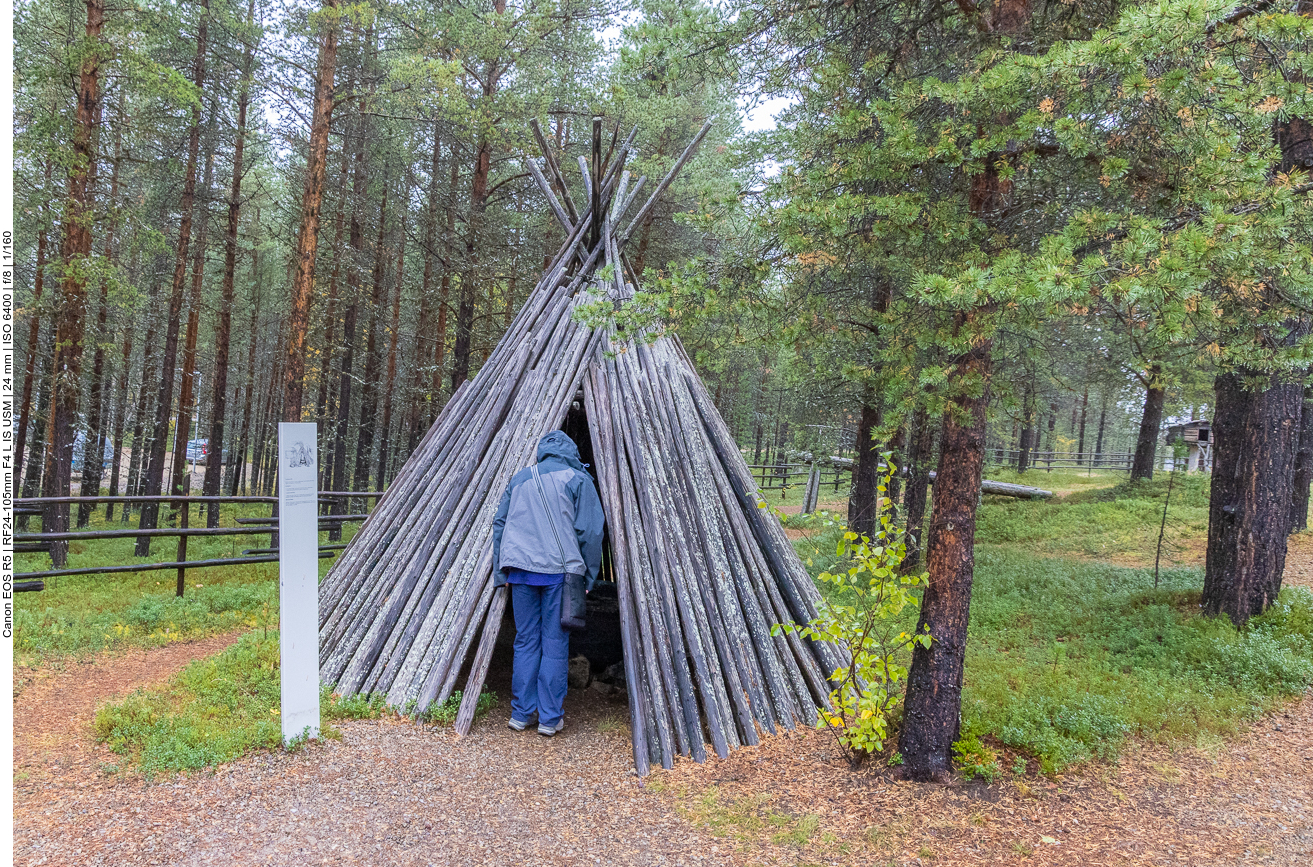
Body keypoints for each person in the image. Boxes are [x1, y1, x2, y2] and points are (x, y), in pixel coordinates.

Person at [491, 430, 605, 736]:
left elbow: (500, 524)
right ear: (571, 452)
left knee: (526, 641)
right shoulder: (578, 479)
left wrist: (501, 573)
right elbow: (591, 532)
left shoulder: (520, 479)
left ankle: (521, 714)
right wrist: (588, 576)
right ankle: (550, 719)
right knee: (554, 643)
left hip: (521, 572)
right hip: (560, 574)